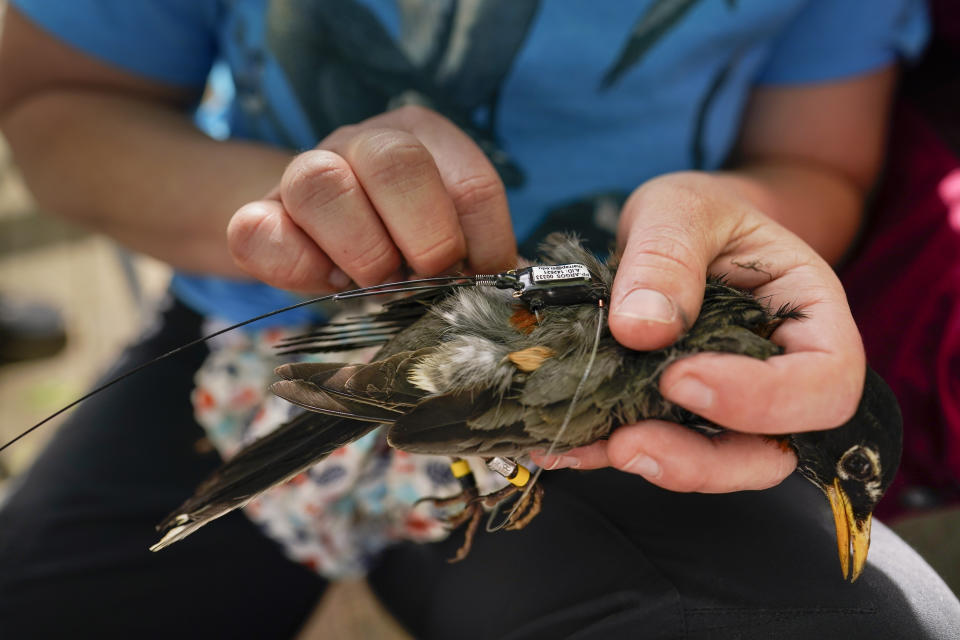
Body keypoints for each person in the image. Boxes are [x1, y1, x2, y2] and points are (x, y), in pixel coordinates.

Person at [0, 1, 957, 638]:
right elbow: (56, 108)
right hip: (252, 335)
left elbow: (821, 167)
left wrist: (718, 226)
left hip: (561, 394)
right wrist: (302, 210)